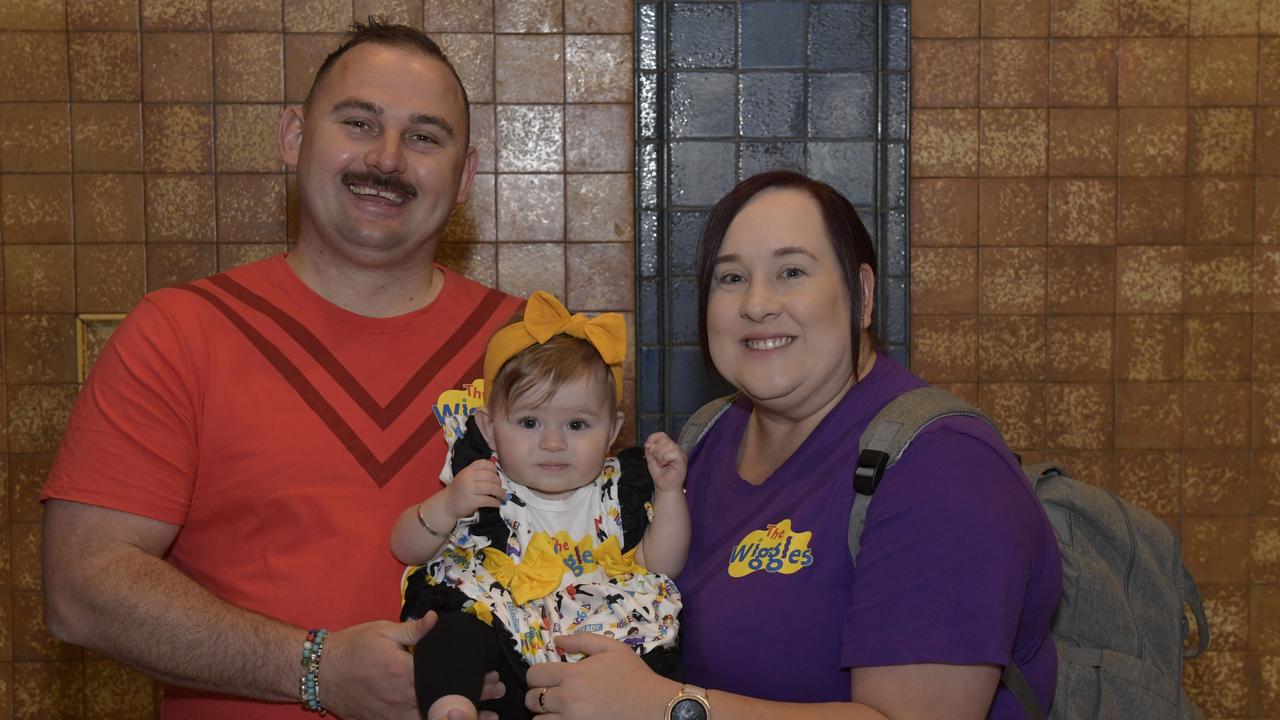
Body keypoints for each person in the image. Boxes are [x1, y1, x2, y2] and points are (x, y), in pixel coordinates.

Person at [40, 20, 524, 720]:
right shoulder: (180, 334)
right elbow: (81, 588)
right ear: (294, 137)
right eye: (358, 122)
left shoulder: (531, 343)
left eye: (424, 137)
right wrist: (317, 669)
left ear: (466, 172)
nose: (386, 160)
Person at [523, 171, 1063, 719]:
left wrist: (667, 709)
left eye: (791, 271)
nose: (757, 305)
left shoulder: (944, 467)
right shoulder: (705, 439)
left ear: (864, 295)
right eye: (731, 278)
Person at [391, 291, 688, 720]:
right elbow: (405, 548)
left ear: (612, 430)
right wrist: (447, 504)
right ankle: (451, 707)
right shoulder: (481, 482)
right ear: (490, 429)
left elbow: (662, 564)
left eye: (577, 424)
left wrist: (668, 492)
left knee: (655, 649)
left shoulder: (617, 492)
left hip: (593, 641)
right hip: (502, 627)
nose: (553, 443)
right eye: (529, 423)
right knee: (451, 629)